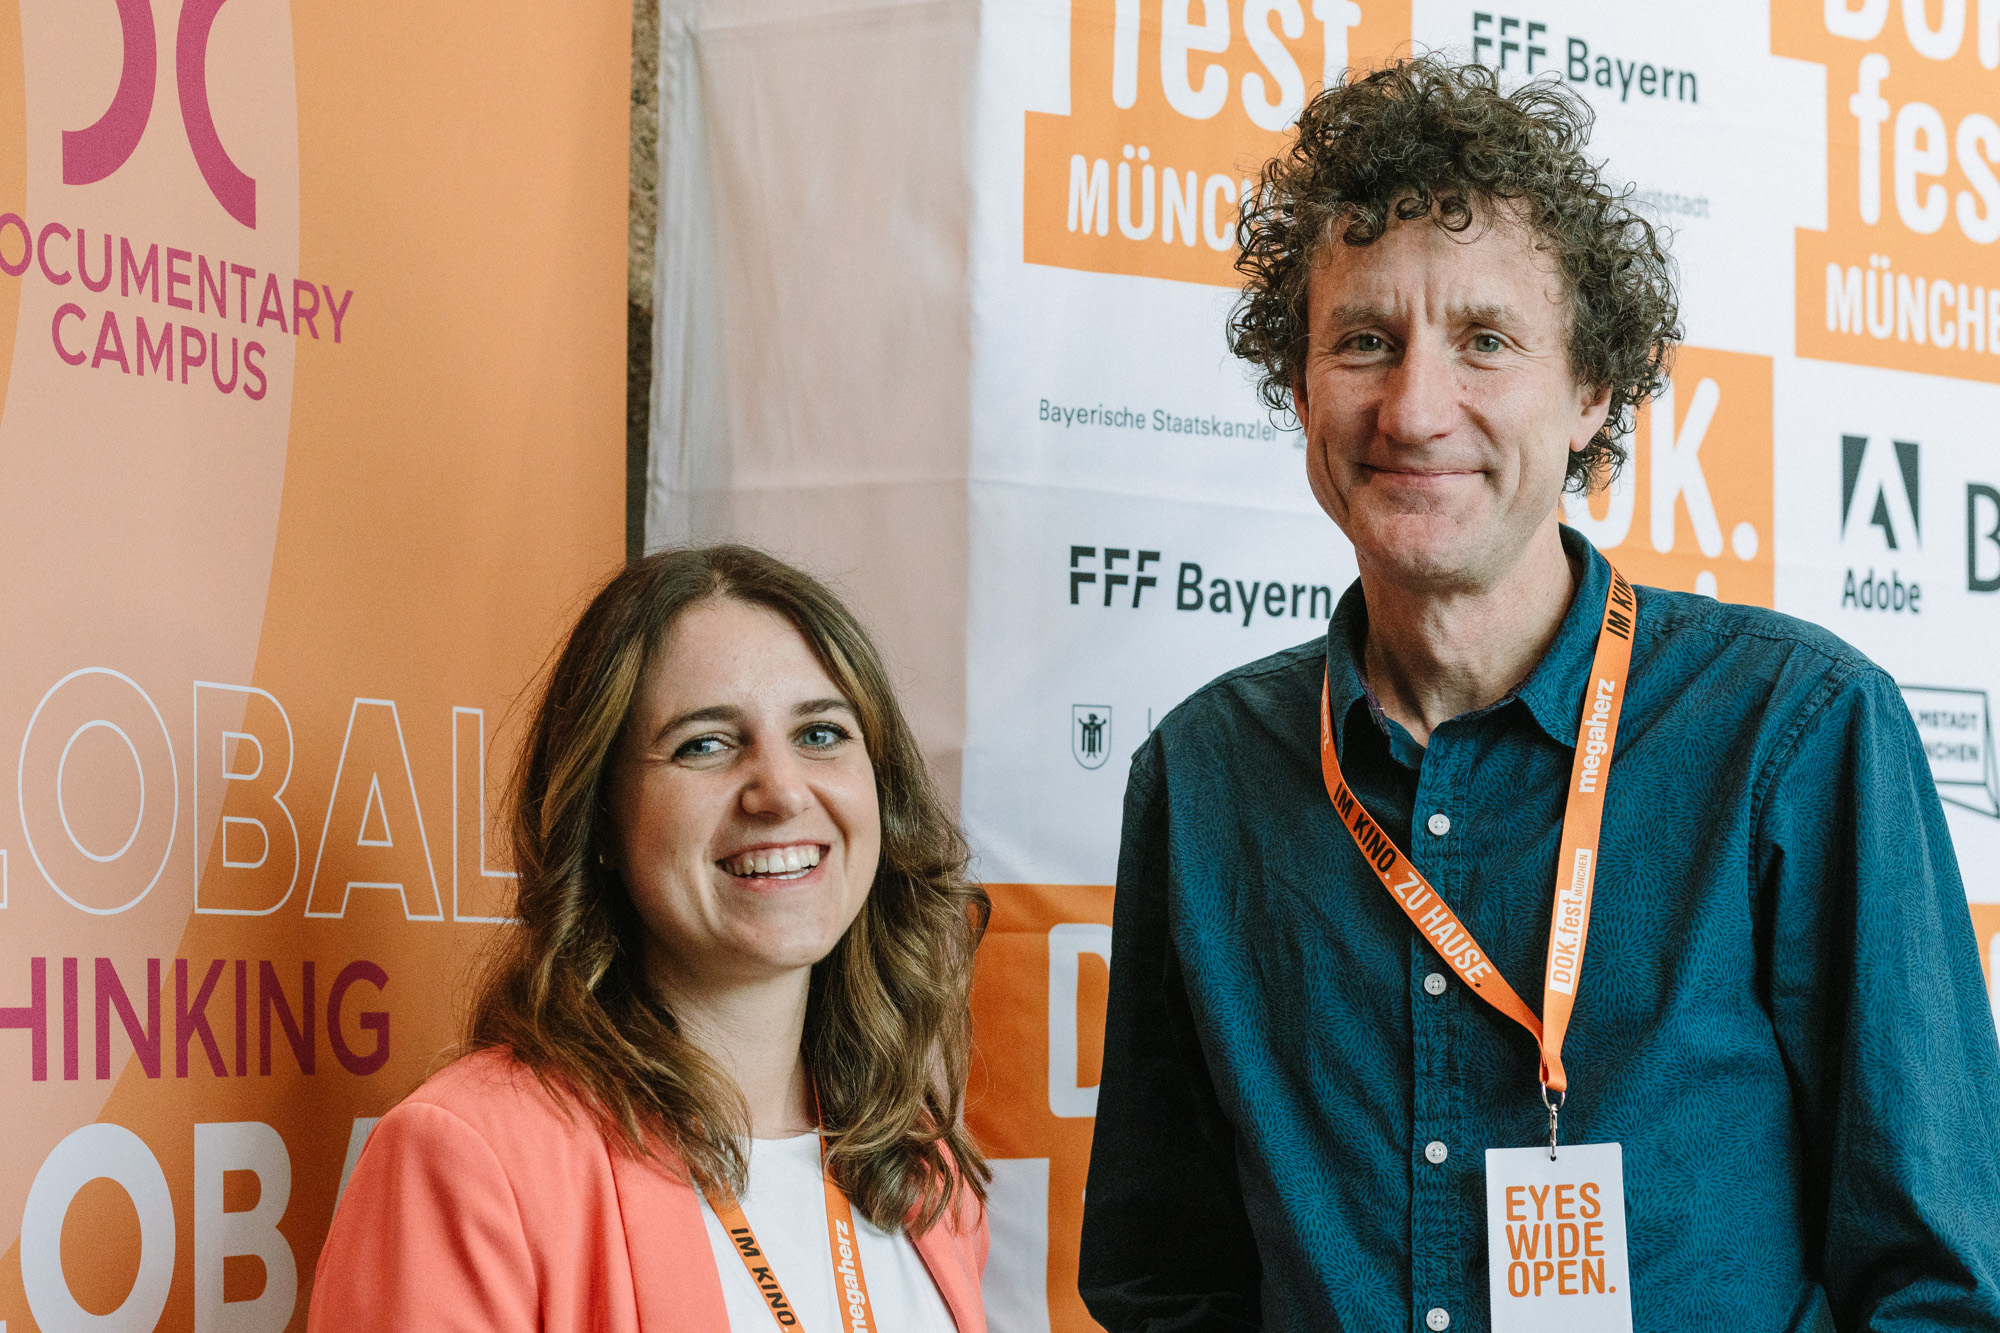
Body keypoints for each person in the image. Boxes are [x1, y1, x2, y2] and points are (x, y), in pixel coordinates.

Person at [1080, 56, 2000, 1332]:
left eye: (1485, 342)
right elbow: (1164, 1281)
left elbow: (1939, 1289)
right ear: (1298, 391)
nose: (1414, 409)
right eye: (1363, 342)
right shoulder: (1202, 774)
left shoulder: (1794, 731)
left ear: (1589, 393)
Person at [311, 545, 991, 1332]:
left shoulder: (920, 1167)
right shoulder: (473, 1161)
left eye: (820, 732)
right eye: (706, 743)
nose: (780, 790)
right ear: (601, 817)